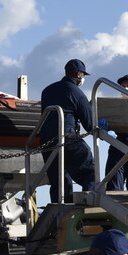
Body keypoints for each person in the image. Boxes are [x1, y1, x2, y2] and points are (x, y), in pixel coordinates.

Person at [40, 59, 96, 204]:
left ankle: (59, 215)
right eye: (83, 75)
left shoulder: (47, 90)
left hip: (46, 142)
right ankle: (89, 206)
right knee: (91, 172)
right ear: (78, 74)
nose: (83, 79)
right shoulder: (76, 92)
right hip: (67, 138)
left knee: (59, 182)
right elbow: (90, 124)